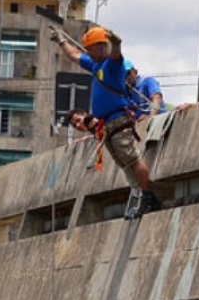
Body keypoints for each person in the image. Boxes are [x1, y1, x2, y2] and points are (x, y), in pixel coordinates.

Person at [50, 24, 160, 219]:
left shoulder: (112, 64)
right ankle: (140, 197)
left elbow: (117, 54)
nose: (88, 52)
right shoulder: (95, 65)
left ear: (101, 47)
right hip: (107, 126)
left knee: (133, 159)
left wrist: (116, 43)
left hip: (118, 121)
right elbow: (74, 56)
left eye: (91, 48)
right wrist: (62, 41)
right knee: (125, 164)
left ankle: (149, 195)